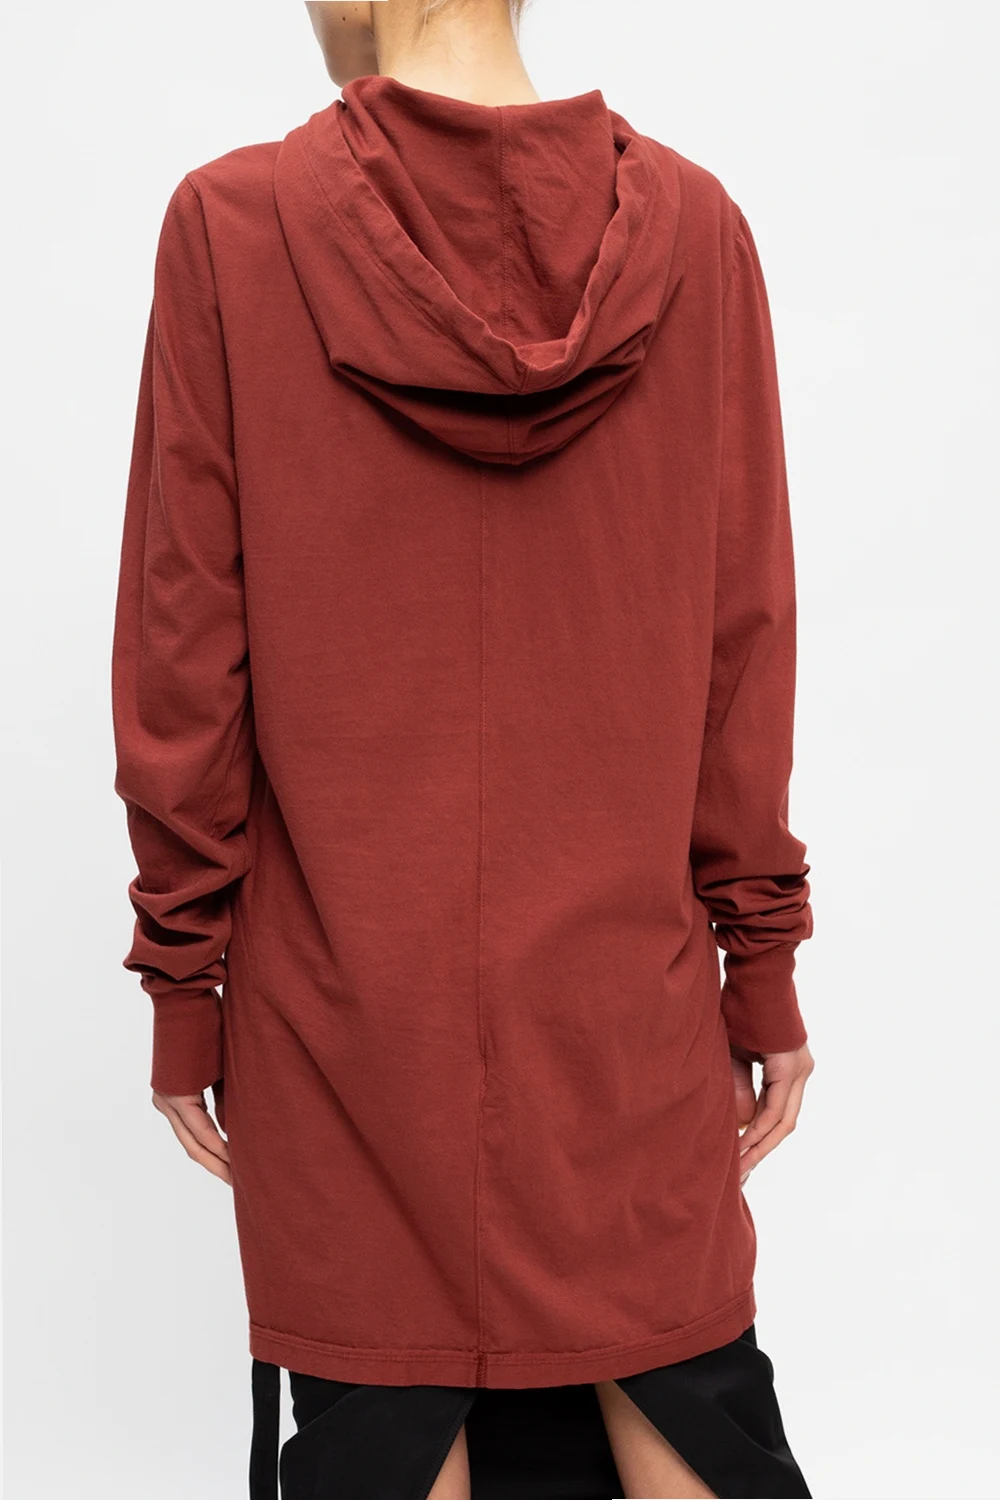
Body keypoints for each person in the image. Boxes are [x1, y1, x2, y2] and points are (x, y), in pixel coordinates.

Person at [110, 1, 817, 1495]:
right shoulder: (698, 231)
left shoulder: (231, 228)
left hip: (345, 1032)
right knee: (683, 1415)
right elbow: (740, 649)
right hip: (624, 1030)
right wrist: (759, 966)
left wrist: (184, 983)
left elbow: (185, 660)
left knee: (384, 1437)